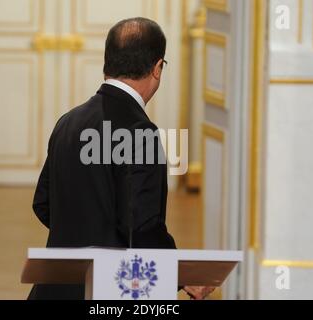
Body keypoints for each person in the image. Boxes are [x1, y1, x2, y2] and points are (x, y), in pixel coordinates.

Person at [28, 17, 211, 300]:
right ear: (157, 68)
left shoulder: (68, 122)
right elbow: (141, 226)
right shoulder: (141, 133)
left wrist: (84, 237)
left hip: (53, 290)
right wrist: (181, 273)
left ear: (107, 63)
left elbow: (43, 204)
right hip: (110, 292)